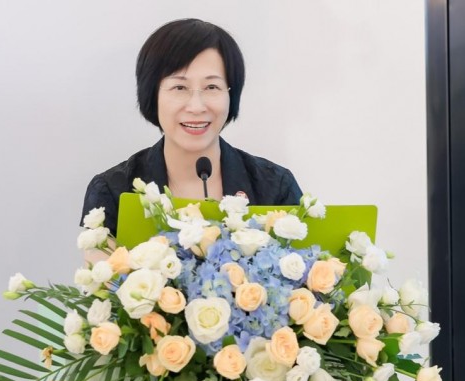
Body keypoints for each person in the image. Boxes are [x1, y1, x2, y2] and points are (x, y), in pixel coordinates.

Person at [81, 18, 303, 236]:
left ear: (231, 94)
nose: (196, 107)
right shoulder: (113, 191)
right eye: (179, 87)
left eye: (212, 87)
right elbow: (101, 260)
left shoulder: (275, 188)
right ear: (152, 94)